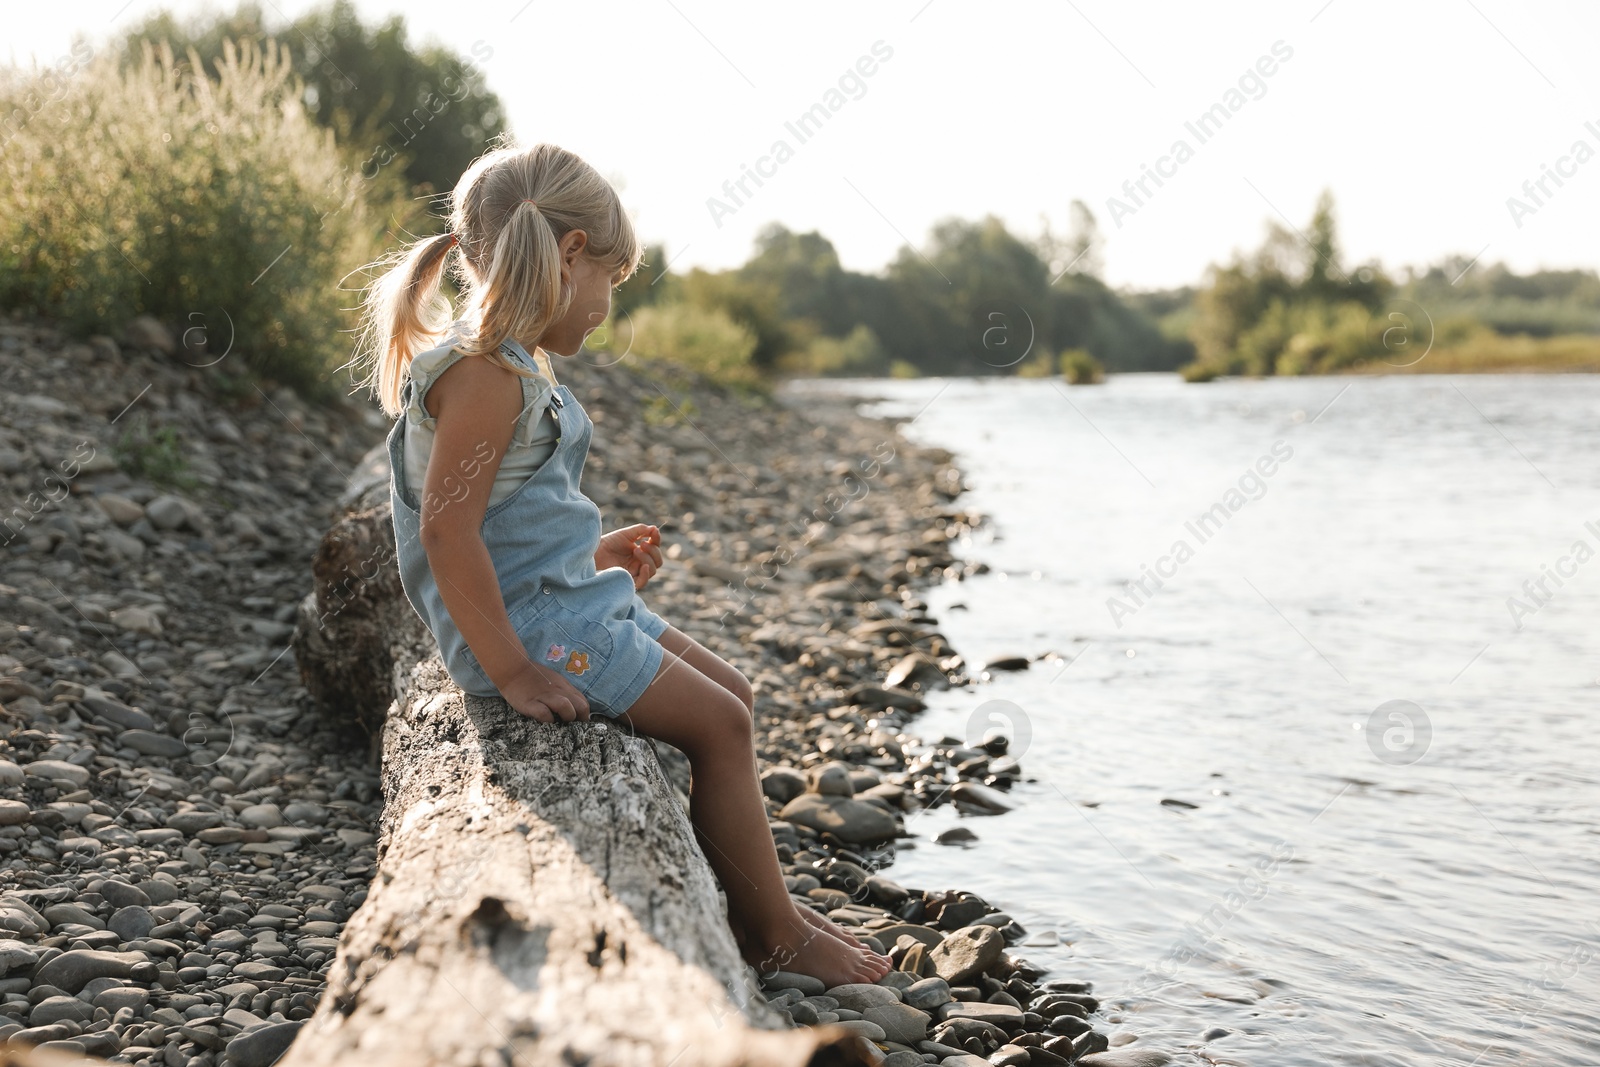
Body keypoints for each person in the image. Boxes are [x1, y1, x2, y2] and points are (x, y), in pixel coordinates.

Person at [348, 140, 891, 988]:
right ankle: (775, 934)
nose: (606, 302)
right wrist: (515, 671)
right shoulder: (486, 374)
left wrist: (589, 553)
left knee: (734, 695)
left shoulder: (519, 363)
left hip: (561, 600)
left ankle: (750, 900)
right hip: (533, 631)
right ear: (569, 257)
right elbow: (447, 533)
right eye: (610, 278)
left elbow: (502, 517)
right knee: (723, 728)